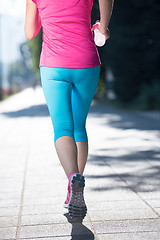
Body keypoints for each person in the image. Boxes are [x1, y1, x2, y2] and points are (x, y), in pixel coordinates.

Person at [25, 0, 114, 222]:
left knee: (62, 127)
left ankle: (73, 178)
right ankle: (76, 187)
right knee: (79, 127)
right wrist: (103, 26)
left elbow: (29, 33)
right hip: (86, 61)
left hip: (54, 65)